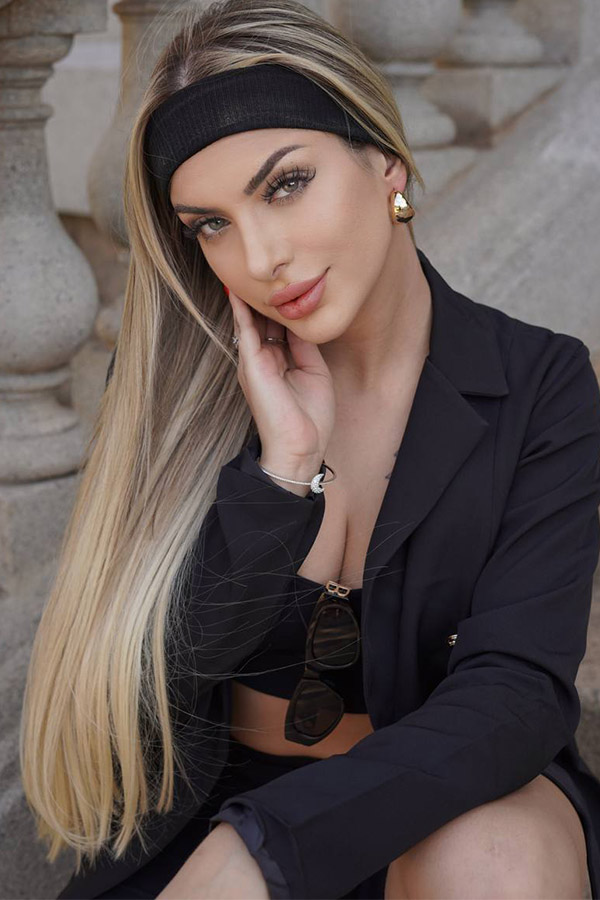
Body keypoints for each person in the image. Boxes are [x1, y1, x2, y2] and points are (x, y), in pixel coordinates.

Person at [19, 1, 600, 898]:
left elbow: (517, 695)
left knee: (494, 857)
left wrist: (267, 845)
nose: (261, 257)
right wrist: (281, 476)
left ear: (385, 160)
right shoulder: (182, 398)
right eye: (210, 224)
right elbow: (144, 702)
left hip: (436, 809)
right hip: (204, 816)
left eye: (285, 184)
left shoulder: (542, 383)